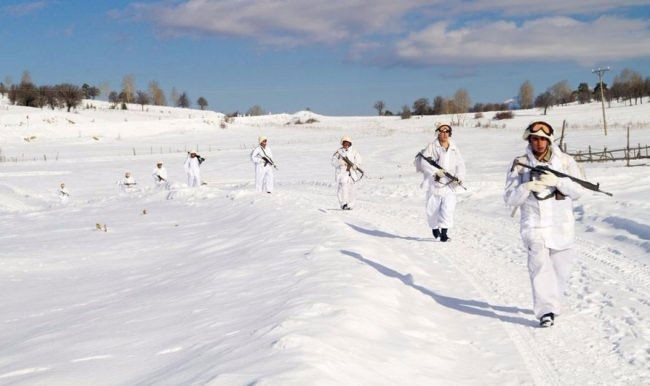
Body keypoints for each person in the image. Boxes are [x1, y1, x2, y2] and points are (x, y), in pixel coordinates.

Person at [504, 121, 584, 328]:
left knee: (560, 270)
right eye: (534, 139)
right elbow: (510, 199)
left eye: (542, 139)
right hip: (534, 224)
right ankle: (545, 311)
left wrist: (558, 182)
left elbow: (578, 192)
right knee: (539, 266)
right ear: (529, 139)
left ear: (549, 140)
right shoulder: (520, 164)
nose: (538, 143)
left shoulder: (565, 162)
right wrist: (526, 186)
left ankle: (553, 305)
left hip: (561, 225)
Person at [415, 124, 465, 242]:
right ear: (438, 133)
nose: (444, 134)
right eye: (442, 131)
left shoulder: (454, 148)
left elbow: (461, 164)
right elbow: (424, 163)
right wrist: (436, 172)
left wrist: (459, 177)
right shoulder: (431, 147)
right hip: (435, 185)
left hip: (449, 185)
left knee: (448, 209)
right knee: (433, 210)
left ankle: (444, 233)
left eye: (447, 131)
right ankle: (434, 228)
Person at [331, 135, 362, 210]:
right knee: (342, 188)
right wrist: (340, 163)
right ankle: (343, 204)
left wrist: (355, 165)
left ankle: (350, 204)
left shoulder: (354, 151)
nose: (346, 145)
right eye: (345, 143)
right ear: (342, 143)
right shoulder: (338, 152)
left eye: (348, 143)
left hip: (351, 173)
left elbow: (359, 160)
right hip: (341, 173)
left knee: (352, 189)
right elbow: (333, 162)